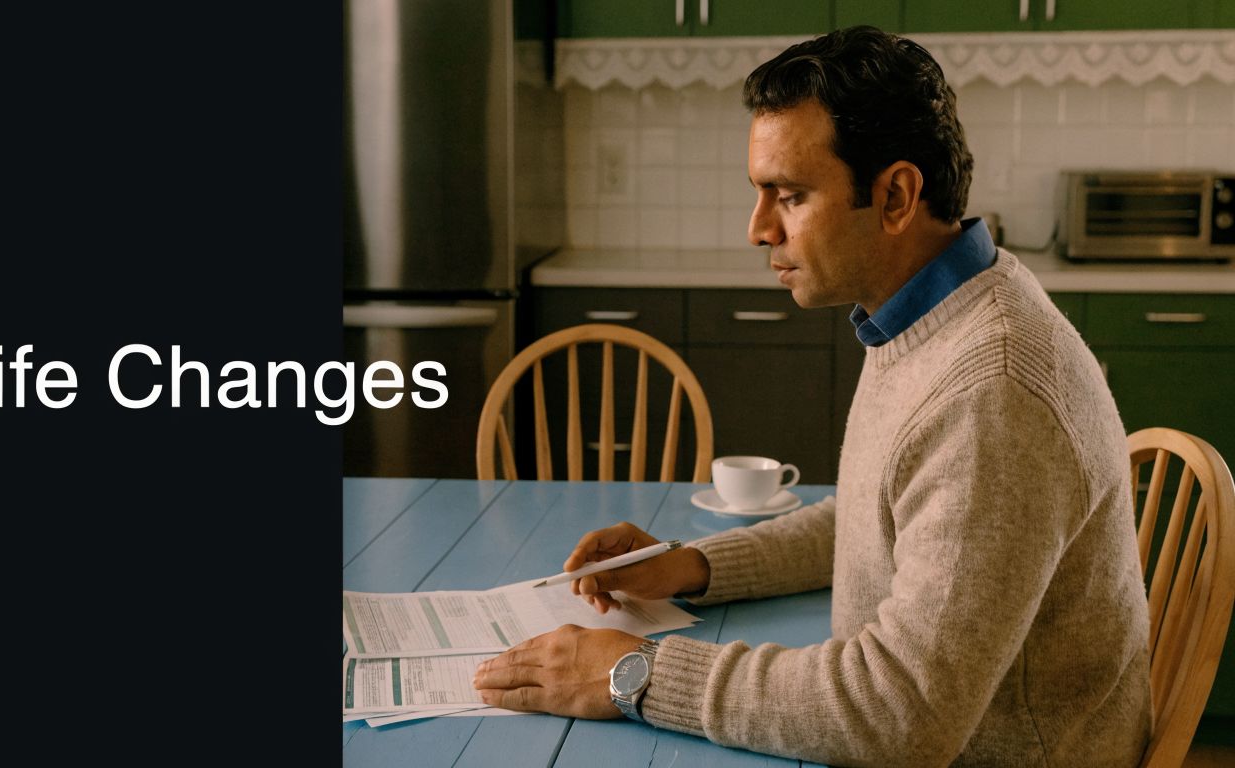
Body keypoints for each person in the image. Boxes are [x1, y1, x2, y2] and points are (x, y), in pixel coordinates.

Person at [472, 25, 1152, 767]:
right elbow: (873, 518)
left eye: (789, 196)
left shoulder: (993, 391)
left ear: (894, 196)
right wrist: (692, 566)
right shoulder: (930, 312)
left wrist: (632, 672)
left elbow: (899, 714)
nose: (758, 228)